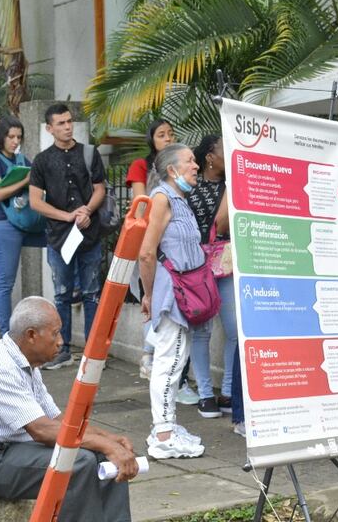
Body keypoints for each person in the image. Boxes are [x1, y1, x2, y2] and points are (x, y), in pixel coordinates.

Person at [0, 296, 136, 521]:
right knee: (79, 463)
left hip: (17, 451)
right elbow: (42, 430)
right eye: (55, 334)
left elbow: (59, 421)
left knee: (104, 458)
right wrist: (106, 444)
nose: (60, 341)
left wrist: (109, 439)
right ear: (31, 335)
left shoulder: (26, 364)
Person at [137, 143, 206, 459]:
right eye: (189, 161)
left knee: (174, 358)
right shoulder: (162, 198)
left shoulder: (179, 199)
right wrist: (150, 295)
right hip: (170, 294)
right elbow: (146, 253)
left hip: (180, 292)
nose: (196, 165)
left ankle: (166, 426)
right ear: (171, 169)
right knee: (170, 359)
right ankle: (164, 435)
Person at [29, 103, 107, 371]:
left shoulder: (89, 153)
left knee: (92, 293)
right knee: (62, 294)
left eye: (69, 121)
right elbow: (35, 202)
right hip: (59, 237)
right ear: (49, 129)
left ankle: (93, 353)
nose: (67, 127)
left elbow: (100, 189)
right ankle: (61, 350)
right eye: (60, 123)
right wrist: (67, 216)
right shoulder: (42, 160)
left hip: (89, 234)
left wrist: (86, 211)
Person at [185, 134, 232, 420]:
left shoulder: (234, 184)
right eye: (225, 149)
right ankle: (205, 394)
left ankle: (227, 391)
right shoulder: (191, 186)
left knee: (235, 330)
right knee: (201, 330)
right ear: (210, 157)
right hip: (198, 266)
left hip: (228, 264)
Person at [0, 117, 44, 336]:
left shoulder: (21, 158)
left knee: (58, 240)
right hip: (1, 223)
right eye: (11, 136)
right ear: (1, 136)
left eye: (19, 137)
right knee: (5, 281)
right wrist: (25, 180)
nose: (16, 141)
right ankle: (5, 334)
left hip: (24, 220)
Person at [127, 119, 174, 381]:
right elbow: (140, 204)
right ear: (151, 140)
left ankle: (157, 356)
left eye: (170, 134)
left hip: (173, 240)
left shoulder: (177, 166)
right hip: (149, 237)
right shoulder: (141, 165)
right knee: (149, 295)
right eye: (161, 135)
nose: (167, 139)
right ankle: (148, 354)